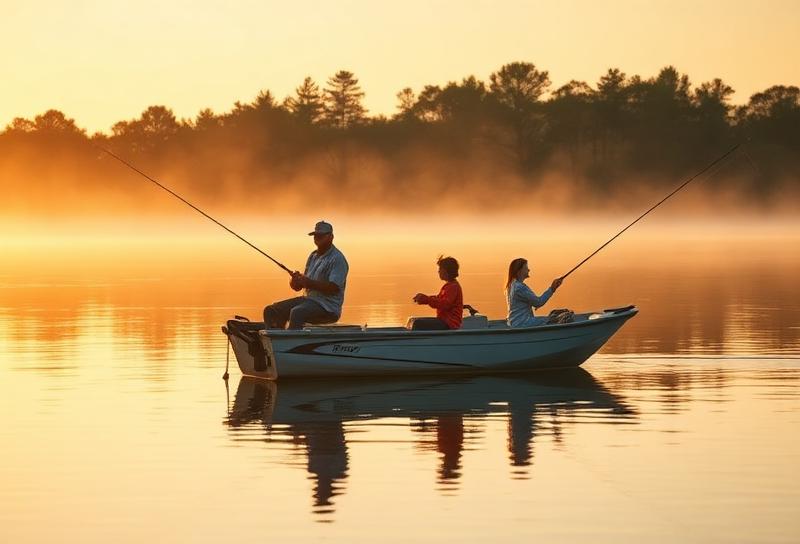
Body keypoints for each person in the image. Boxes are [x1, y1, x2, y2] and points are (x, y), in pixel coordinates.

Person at [263, 221, 349, 330]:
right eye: (315, 235)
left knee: (297, 312)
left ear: (331, 237)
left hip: (328, 308)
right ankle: (274, 341)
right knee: (271, 310)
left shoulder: (337, 259)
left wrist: (308, 282)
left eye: (321, 235)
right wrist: (295, 281)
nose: (317, 238)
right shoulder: (313, 256)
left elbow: (334, 288)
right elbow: (298, 287)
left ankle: (291, 343)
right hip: (309, 300)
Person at [505, 257, 563, 328]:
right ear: (519, 271)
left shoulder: (511, 285)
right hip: (521, 323)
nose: (529, 270)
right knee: (553, 320)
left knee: (551, 319)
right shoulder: (519, 288)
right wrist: (552, 288)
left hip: (514, 322)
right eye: (526, 268)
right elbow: (538, 302)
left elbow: (530, 302)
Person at [411, 256, 463, 330]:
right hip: (444, 321)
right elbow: (439, 299)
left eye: (440, 269)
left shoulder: (453, 287)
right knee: (413, 321)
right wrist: (424, 299)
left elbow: (445, 304)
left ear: (446, 271)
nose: (438, 271)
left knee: (418, 324)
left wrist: (427, 300)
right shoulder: (448, 286)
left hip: (449, 324)